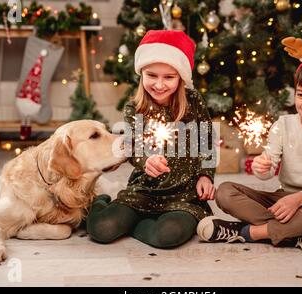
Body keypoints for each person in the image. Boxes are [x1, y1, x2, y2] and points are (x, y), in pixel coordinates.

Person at [197, 37, 302, 257]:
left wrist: (300, 198)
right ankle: (301, 235)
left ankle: (247, 232)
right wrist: (263, 169)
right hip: (281, 199)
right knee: (225, 192)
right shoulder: (283, 124)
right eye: (301, 95)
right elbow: (269, 170)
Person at [87, 30, 216, 249]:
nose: (159, 84)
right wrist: (146, 161)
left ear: (181, 77)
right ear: (141, 74)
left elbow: (206, 141)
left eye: (169, 77)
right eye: (151, 75)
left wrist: (206, 175)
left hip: (183, 195)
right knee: (101, 229)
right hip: (144, 192)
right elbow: (134, 147)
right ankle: (103, 202)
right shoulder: (135, 109)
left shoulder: (193, 102)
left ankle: (136, 225)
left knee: (167, 235)